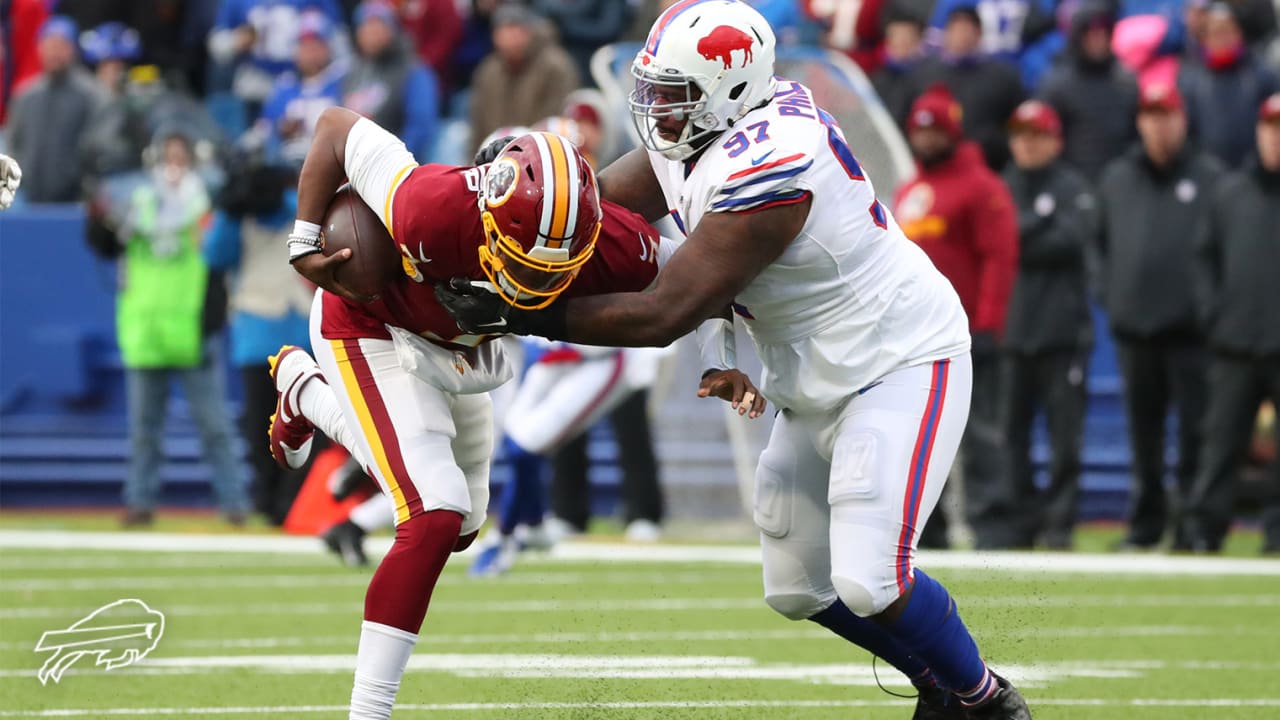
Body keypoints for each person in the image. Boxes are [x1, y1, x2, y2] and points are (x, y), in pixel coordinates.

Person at [438, 2, 1032, 718]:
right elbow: (594, 210)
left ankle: (985, 699)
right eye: (653, 90)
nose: (658, 110)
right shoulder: (709, 123)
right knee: (796, 587)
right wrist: (475, 213)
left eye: (675, 94)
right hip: (812, 373)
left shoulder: (775, 164)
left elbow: (665, 311)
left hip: (896, 360)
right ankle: (938, 682)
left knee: (874, 580)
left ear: (729, 90)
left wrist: (514, 311)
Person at [275, 108, 761, 719]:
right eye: (523, 261)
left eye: (551, 271)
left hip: (464, 352)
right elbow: (336, 126)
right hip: (373, 327)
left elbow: (710, 284)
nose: (532, 281)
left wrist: (722, 359)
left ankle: (305, 393)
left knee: (463, 529)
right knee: (433, 513)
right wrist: (302, 240)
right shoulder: (427, 205)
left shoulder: (615, 244)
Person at [89, 130, 250, 527]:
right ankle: (141, 502)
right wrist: (96, 211)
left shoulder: (206, 202)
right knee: (145, 430)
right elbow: (104, 243)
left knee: (213, 425)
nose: (174, 166)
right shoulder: (137, 203)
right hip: (149, 328)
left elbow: (221, 254)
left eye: (181, 156)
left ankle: (234, 504)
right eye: (168, 156)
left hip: (191, 328)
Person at [1096, 83, 1221, 551]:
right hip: (1135, 330)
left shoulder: (1210, 179)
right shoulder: (1117, 178)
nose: (1159, 125)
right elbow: (1098, 245)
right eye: (1151, 115)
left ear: (1182, 119)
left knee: (1194, 435)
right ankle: (1146, 526)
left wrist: (1209, 309)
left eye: (1167, 115)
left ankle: (1192, 526)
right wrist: (1111, 294)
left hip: (1191, 332)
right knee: (1143, 439)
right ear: (1139, 121)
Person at [893, 83, 1019, 549]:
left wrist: (988, 322)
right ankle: (929, 527)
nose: (925, 139)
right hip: (914, 338)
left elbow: (999, 258)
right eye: (918, 131)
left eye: (934, 130)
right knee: (922, 434)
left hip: (968, 332)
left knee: (982, 432)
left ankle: (994, 528)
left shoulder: (982, 186)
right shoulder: (910, 189)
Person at [1184, 93, 1280, 553]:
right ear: (1259, 132)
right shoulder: (1230, 192)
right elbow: (1204, 259)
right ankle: (1207, 530)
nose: (1275, 137)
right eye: (1270, 127)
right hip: (1234, 343)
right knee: (1220, 445)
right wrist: (1214, 315)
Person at [1000, 100, 1097, 549]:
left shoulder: (1073, 185)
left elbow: (1072, 240)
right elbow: (1000, 243)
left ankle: (1059, 524)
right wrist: (1040, 223)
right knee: (1011, 437)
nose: (1028, 144)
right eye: (1021, 135)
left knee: (1064, 439)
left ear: (1055, 140)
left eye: (1037, 135)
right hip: (1013, 332)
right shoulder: (1003, 185)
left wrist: (1023, 232)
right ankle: (1021, 522)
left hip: (1062, 334)